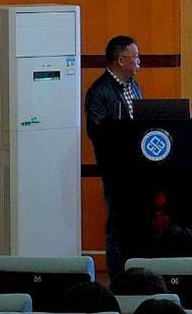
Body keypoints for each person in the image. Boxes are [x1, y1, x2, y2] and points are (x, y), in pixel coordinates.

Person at [84, 35, 144, 280]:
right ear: (120, 60)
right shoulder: (99, 91)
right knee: (118, 226)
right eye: (135, 57)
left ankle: (136, 274)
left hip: (138, 168)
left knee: (136, 224)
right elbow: (96, 131)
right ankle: (118, 279)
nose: (139, 61)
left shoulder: (133, 85)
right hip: (117, 170)